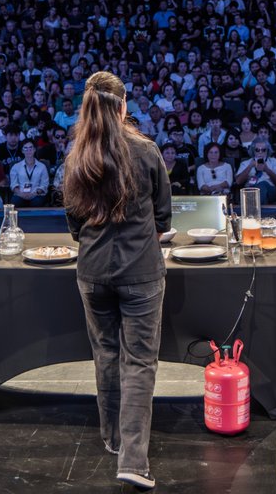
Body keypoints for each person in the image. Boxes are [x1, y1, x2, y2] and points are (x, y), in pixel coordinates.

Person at [63, 71, 171, 491]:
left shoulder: (76, 155)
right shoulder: (145, 150)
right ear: (124, 106)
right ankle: (133, 459)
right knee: (139, 362)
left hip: (92, 274)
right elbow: (163, 217)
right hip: (140, 274)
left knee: (107, 355)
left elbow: (74, 224)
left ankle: (112, 439)